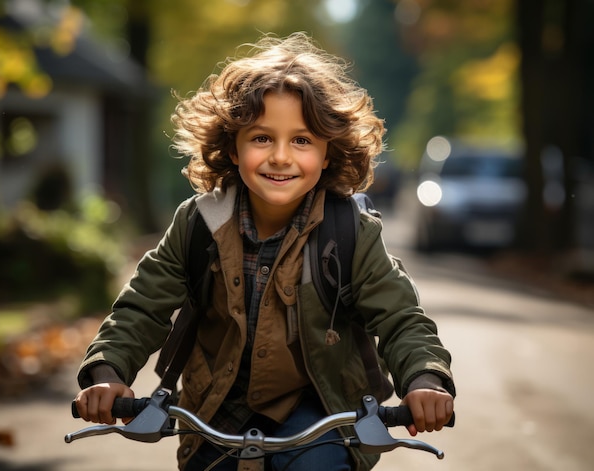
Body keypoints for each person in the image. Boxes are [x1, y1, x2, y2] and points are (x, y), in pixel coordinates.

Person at [74, 32, 455, 471]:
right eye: (260, 138)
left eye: (301, 140)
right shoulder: (200, 222)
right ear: (233, 147)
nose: (280, 156)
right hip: (214, 414)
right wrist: (107, 374)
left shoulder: (350, 230)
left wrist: (425, 379)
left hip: (321, 416)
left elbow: (400, 318)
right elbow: (141, 308)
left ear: (328, 152)